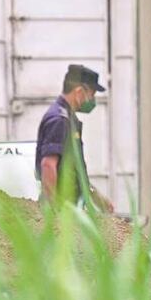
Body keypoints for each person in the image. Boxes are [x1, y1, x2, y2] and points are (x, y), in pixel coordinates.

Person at [35, 64, 114, 212]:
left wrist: (95, 196)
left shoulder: (69, 119)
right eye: (91, 94)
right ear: (79, 92)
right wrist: (54, 212)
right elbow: (48, 165)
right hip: (62, 210)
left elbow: (75, 171)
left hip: (71, 209)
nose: (92, 100)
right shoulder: (59, 120)